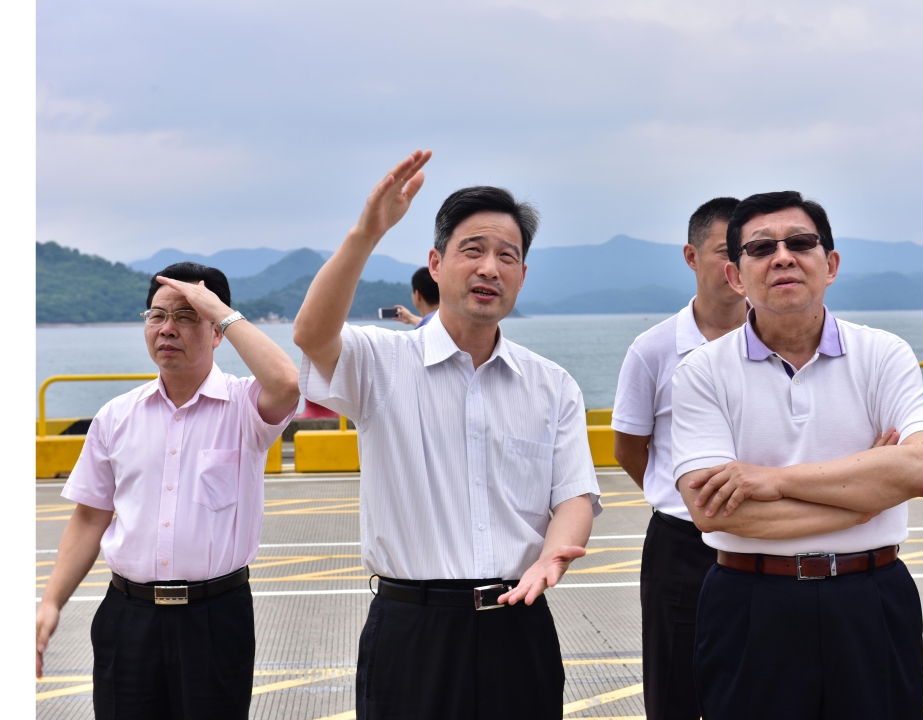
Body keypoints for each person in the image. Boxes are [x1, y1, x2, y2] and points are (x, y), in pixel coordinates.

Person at [292, 150, 601, 720]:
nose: (490, 268)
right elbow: (312, 334)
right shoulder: (382, 362)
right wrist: (368, 232)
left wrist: (554, 557)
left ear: (523, 276)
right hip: (414, 629)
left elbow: (575, 496)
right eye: (472, 251)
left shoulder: (551, 385)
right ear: (435, 264)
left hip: (520, 621)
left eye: (507, 257)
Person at [670, 191, 923, 720]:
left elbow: (917, 468)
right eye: (761, 248)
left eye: (800, 242)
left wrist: (772, 480)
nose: (783, 257)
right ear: (735, 277)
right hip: (750, 601)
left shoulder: (884, 354)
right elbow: (710, 509)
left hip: (871, 598)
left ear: (831, 264)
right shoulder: (702, 372)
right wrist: (863, 501)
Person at [35, 263, 300, 719]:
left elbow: (287, 383)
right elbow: (90, 516)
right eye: (157, 316)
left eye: (186, 316)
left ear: (218, 331)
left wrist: (217, 309)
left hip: (216, 618)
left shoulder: (244, 407)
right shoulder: (116, 417)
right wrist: (51, 601)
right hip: (128, 615)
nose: (167, 329)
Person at [611, 196, 746, 720]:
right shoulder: (654, 348)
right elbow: (629, 446)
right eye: (724, 250)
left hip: (764, 535)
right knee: (674, 684)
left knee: (757, 677)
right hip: (680, 542)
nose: (738, 263)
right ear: (691, 257)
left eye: (747, 249)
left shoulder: (777, 339)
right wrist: (683, 496)